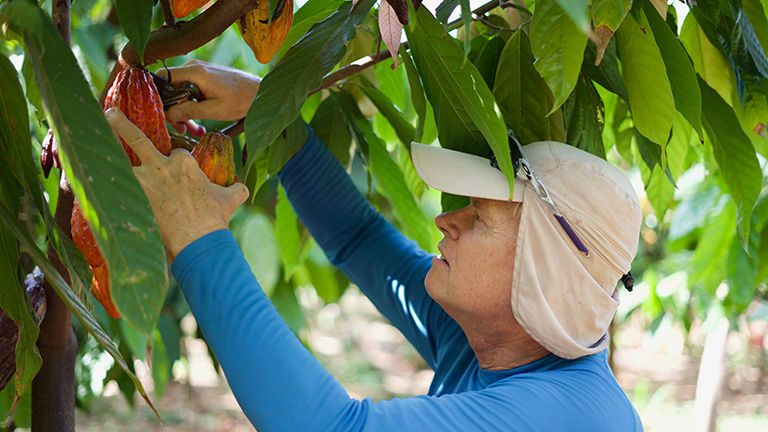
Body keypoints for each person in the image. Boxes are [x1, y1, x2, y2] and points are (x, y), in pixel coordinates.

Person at [104, 59, 644, 431]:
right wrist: (269, 106)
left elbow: (323, 428)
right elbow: (356, 236)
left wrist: (199, 239)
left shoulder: (570, 417)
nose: (445, 220)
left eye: (479, 217)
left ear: (542, 274)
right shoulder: (488, 340)